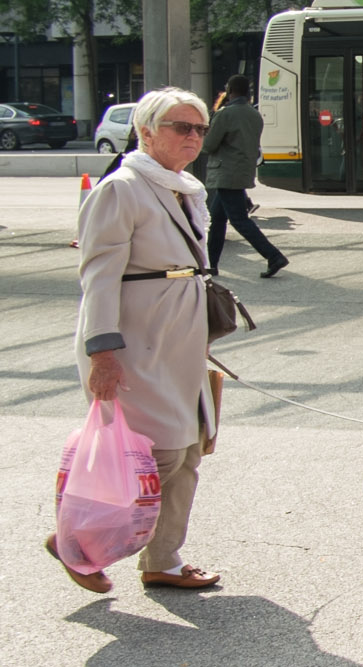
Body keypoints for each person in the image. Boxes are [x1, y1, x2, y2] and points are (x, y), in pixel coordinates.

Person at [51, 87, 224, 594]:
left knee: (188, 450)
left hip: (177, 341)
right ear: (146, 131)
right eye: (180, 127)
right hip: (135, 344)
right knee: (154, 456)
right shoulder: (122, 188)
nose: (192, 136)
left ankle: (163, 559)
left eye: (199, 129)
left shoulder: (183, 187)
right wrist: (102, 351)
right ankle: (78, 541)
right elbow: (98, 277)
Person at [201, 75, 290, 279]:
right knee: (218, 220)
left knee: (239, 220)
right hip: (241, 171)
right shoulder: (254, 114)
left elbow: (209, 145)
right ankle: (211, 264)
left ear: (230, 90)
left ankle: (273, 255)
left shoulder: (225, 114)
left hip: (225, 172)